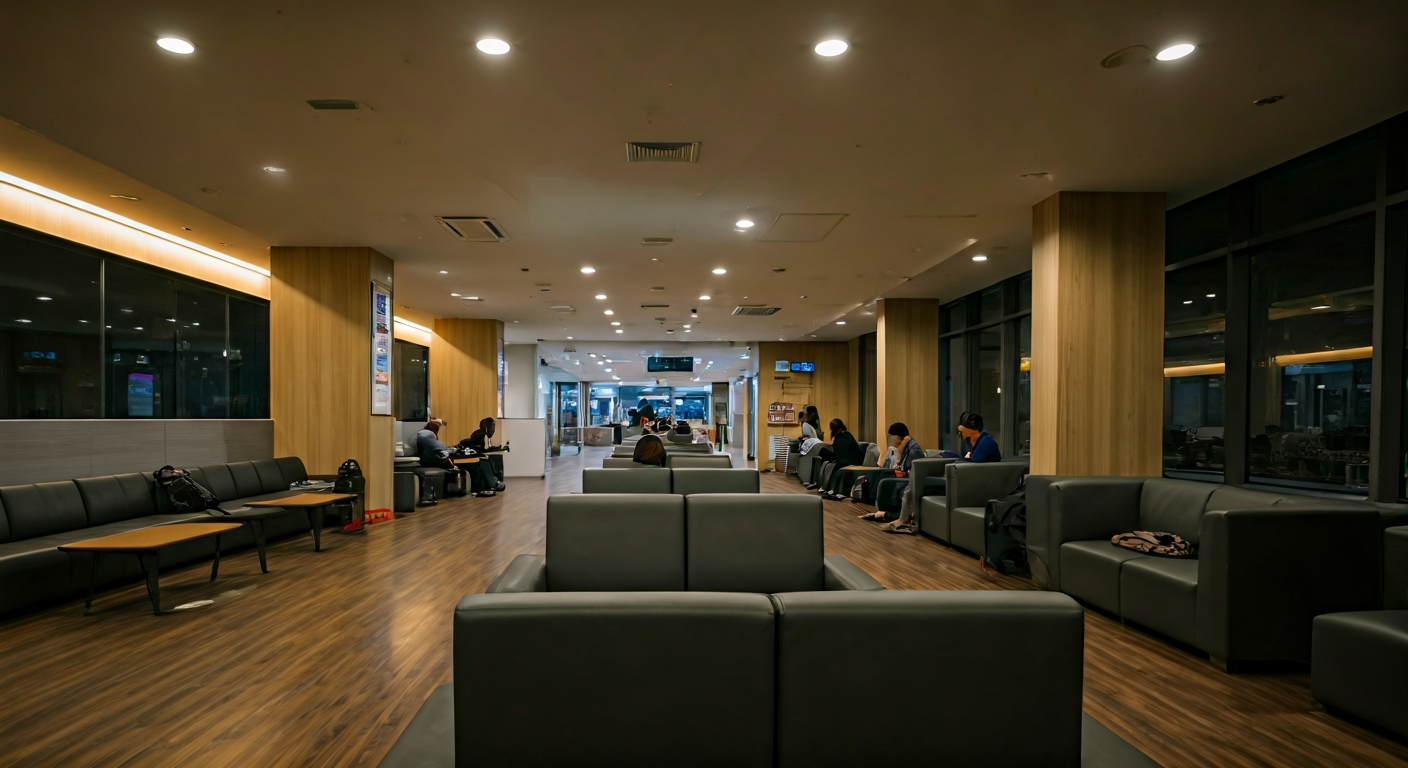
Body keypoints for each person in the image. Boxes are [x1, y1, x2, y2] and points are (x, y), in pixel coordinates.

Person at [883, 412, 1001, 534]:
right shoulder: (971, 441)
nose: (961, 433)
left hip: (974, 481)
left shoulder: (986, 442)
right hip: (965, 476)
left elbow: (975, 463)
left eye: (963, 429)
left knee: (916, 483)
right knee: (915, 484)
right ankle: (906, 518)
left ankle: (903, 518)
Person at [858, 422, 923, 521]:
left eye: (892, 437)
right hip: (902, 477)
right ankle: (872, 499)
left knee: (884, 474)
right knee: (878, 472)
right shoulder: (904, 447)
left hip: (908, 480)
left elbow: (912, 471)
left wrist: (900, 470)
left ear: (897, 437)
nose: (891, 440)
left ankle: (878, 503)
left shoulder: (913, 450)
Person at [416, 419, 495, 498]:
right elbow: (443, 453)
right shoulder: (427, 435)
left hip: (437, 459)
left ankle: (485, 486)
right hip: (440, 461)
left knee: (477, 462)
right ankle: (482, 488)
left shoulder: (423, 436)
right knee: (475, 465)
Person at [815, 419, 865, 498]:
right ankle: (825, 486)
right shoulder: (848, 434)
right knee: (824, 453)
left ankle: (822, 484)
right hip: (854, 460)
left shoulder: (838, 438)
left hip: (845, 461)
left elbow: (839, 454)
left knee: (822, 451)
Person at [463, 417, 507, 492]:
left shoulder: (483, 434)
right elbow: (477, 446)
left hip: (477, 453)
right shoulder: (480, 434)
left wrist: (499, 449)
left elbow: (486, 448)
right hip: (473, 454)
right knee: (485, 460)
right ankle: (492, 482)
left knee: (487, 459)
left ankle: (493, 481)